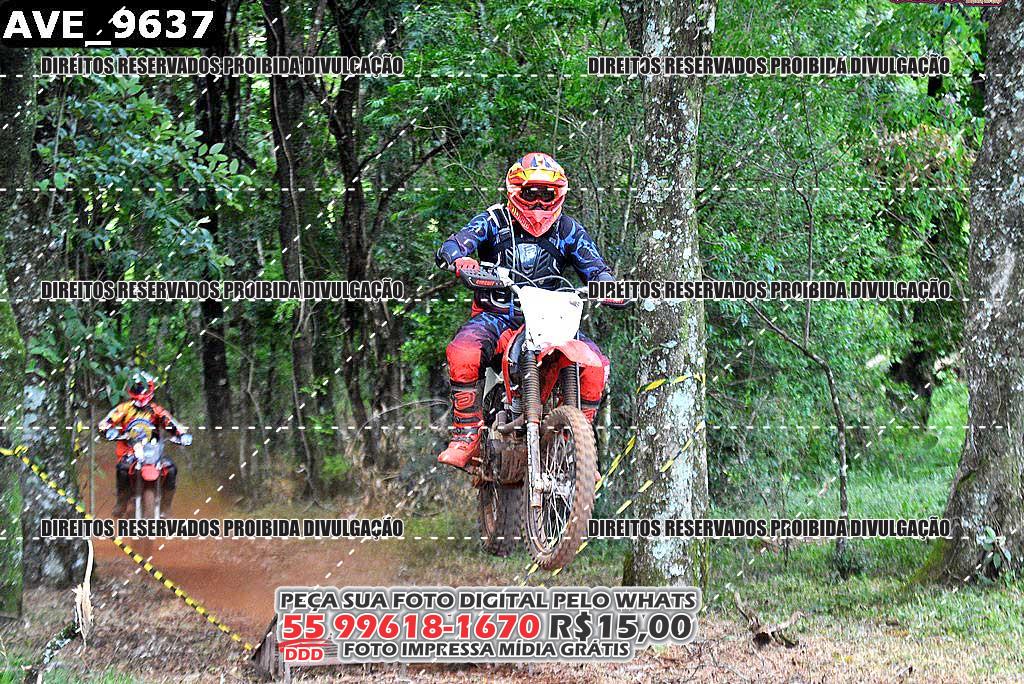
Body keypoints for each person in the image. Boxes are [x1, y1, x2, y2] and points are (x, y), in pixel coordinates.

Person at [434, 152, 623, 469]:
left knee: (596, 366)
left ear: (558, 194)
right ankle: (466, 433)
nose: (538, 202)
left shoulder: (568, 229)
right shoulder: (494, 220)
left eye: (546, 194)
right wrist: (460, 259)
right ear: (515, 192)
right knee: (463, 352)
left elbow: (595, 267)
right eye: (530, 193)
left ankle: (577, 449)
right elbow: (455, 244)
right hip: (497, 317)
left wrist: (607, 285)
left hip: (551, 321)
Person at [98, 371, 189, 517]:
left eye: (143, 388)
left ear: (150, 388)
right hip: (129, 450)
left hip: (153, 451)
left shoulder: (155, 410)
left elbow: (170, 422)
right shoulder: (124, 408)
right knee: (122, 469)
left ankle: (166, 506)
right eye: (137, 388)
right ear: (131, 389)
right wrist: (107, 430)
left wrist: (181, 434)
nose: (140, 392)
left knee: (171, 469)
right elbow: (106, 422)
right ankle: (121, 502)